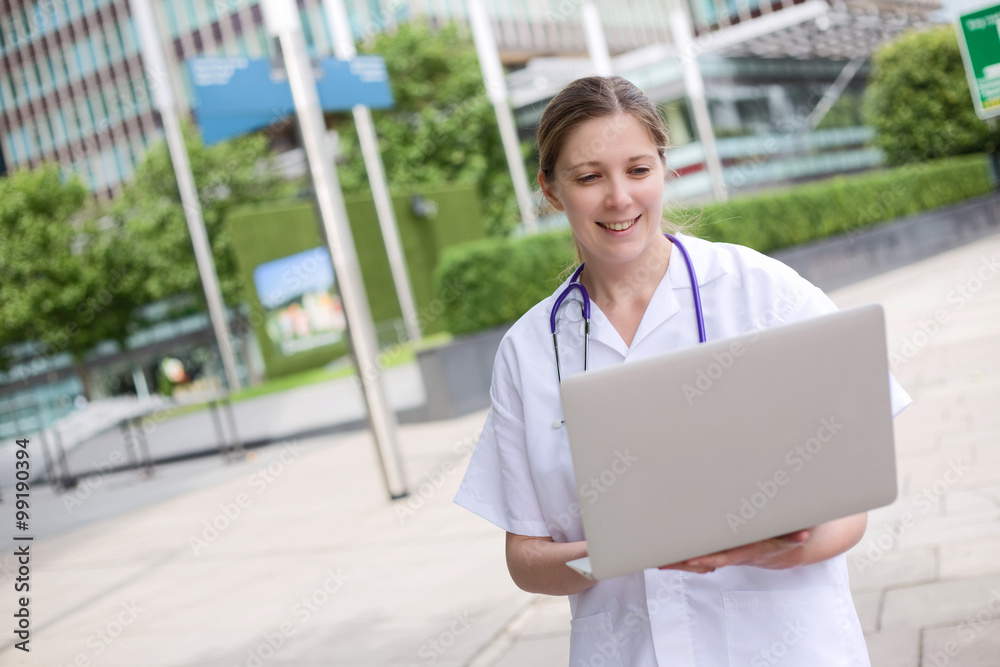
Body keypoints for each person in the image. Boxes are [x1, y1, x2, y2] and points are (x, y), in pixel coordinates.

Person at [453, 76, 911, 666]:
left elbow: (851, 506)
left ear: (664, 170)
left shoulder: (759, 292)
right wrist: (616, 549)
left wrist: (758, 551)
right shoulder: (529, 350)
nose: (619, 197)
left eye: (639, 170)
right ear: (551, 189)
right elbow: (525, 558)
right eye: (590, 177)